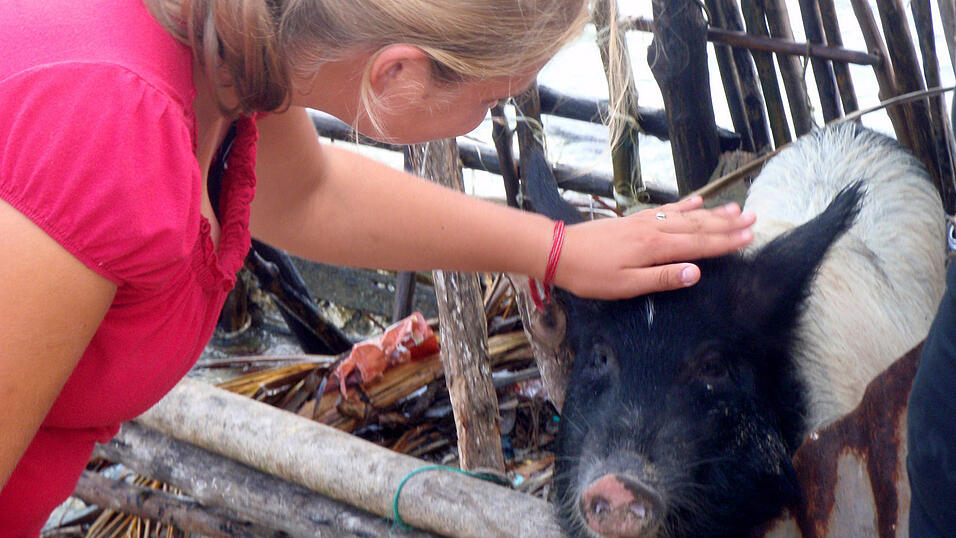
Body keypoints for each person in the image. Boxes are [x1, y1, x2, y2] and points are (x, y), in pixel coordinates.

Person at [0, 0, 755, 534]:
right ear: (397, 75)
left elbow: (309, 195)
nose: (492, 114)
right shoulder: (108, 127)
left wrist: (558, 249)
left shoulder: (234, 46)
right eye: (494, 100)